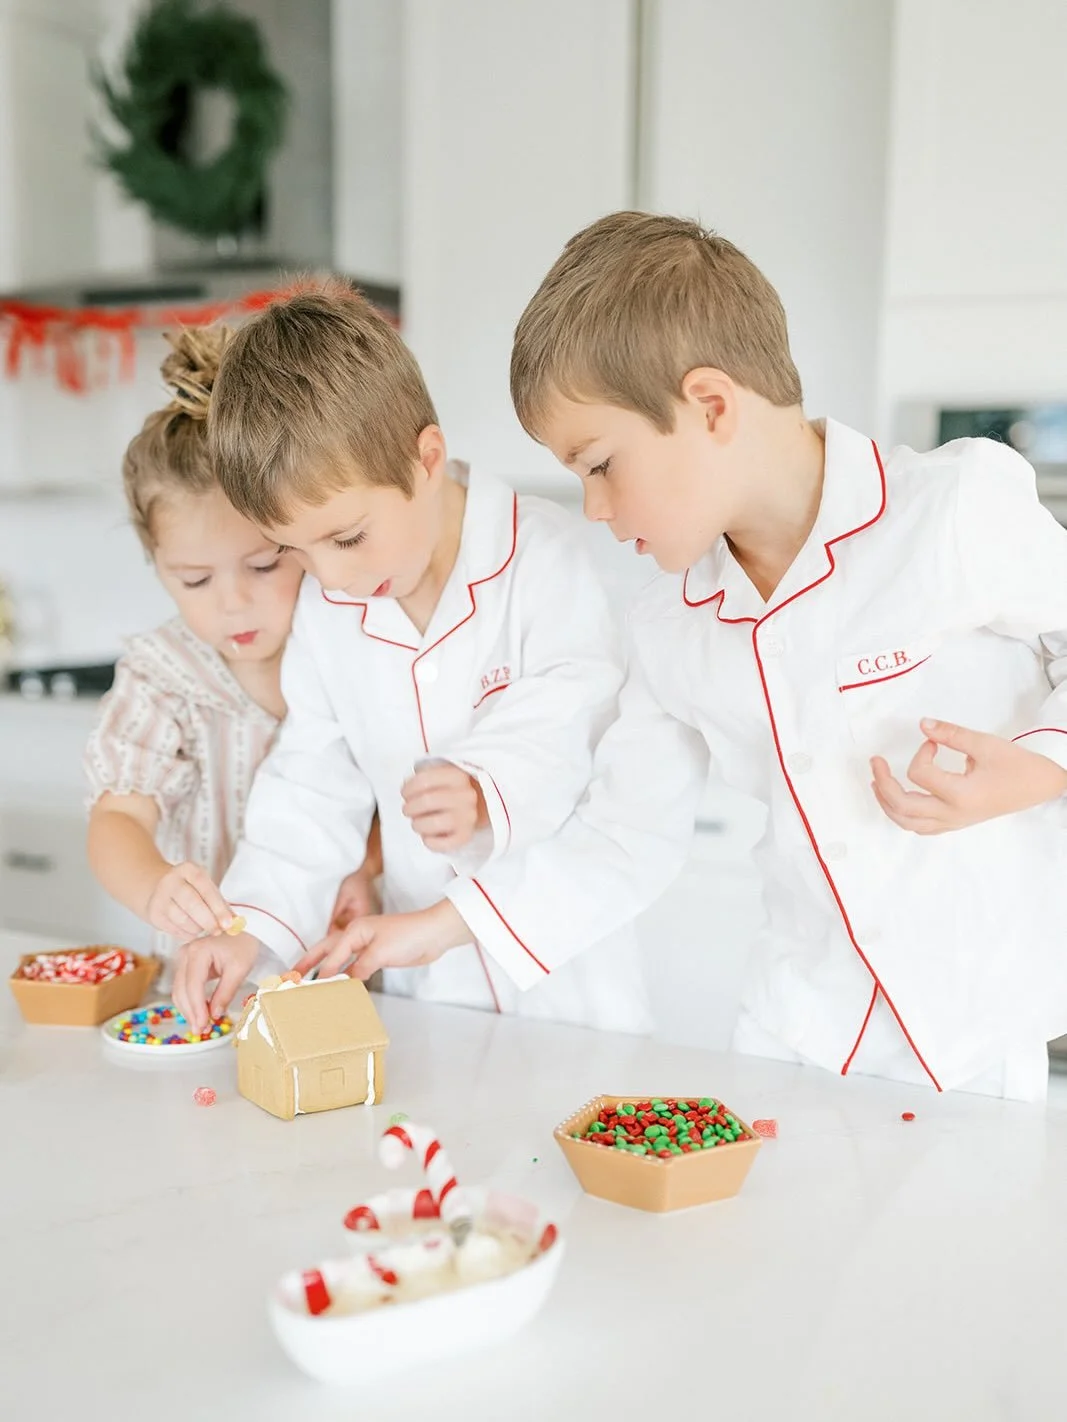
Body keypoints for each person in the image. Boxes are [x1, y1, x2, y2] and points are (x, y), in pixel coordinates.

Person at [319, 212, 1067, 1102]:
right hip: (796, 1031)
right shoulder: (669, 625)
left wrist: (1040, 769)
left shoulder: (953, 510)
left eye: (600, 464)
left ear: (710, 406)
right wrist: (432, 928)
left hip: (984, 1032)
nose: (593, 509)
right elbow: (623, 834)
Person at [170, 285, 649, 1038]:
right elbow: (310, 780)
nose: (328, 580)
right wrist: (248, 928)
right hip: (432, 992)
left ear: (425, 458)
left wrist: (488, 787)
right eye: (294, 552)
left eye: (347, 538)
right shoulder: (332, 612)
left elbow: (578, 706)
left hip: (569, 988)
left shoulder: (543, 553)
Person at [85, 327, 381, 968]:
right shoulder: (164, 678)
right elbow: (118, 822)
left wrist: (365, 865)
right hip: (206, 977)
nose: (232, 603)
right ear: (156, 562)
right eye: (194, 580)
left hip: (342, 970)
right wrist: (152, 884)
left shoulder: (356, 644)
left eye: (264, 566)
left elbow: (385, 784)